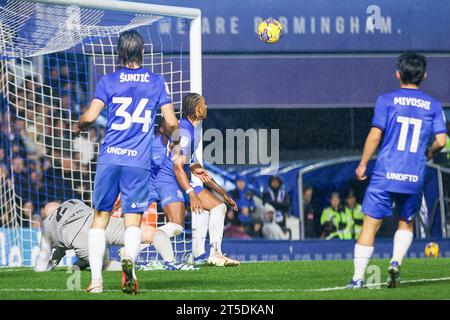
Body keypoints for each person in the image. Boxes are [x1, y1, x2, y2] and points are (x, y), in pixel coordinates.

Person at [77, 30, 178, 294]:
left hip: (111, 158)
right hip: (138, 161)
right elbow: (171, 123)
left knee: (100, 218)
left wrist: (80, 124)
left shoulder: (108, 81)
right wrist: (174, 142)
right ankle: (129, 261)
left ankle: (96, 282)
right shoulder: (157, 82)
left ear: (119, 54)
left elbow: (90, 117)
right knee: (133, 220)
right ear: (143, 53)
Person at [348, 52, 447, 289]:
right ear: (424, 75)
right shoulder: (433, 105)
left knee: (370, 224)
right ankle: (395, 262)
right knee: (406, 222)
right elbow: (442, 140)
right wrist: (428, 153)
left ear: (397, 74)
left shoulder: (386, 100)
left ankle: (358, 278)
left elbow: (375, 135)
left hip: (385, 172)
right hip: (413, 174)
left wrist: (363, 163)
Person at [155, 93, 240, 267]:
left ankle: (215, 253)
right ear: (195, 108)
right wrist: (191, 193)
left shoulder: (197, 127)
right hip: (169, 178)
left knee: (219, 207)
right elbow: (176, 166)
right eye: (203, 103)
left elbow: (194, 166)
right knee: (176, 226)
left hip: (182, 176)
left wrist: (224, 194)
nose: (206, 106)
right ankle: (135, 243)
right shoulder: (185, 131)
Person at [34, 200, 194, 273]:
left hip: (83, 241)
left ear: (47, 215)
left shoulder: (48, 225)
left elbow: (50, 257)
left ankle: (137, 268)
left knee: (102, 265)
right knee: (154, 233)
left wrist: (49, 265)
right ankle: (171, 262)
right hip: (102, 222)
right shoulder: (73, 201)